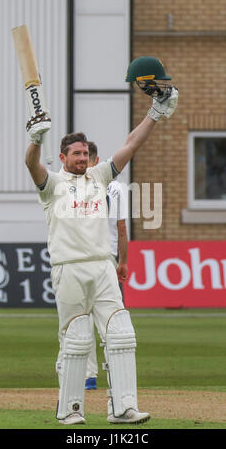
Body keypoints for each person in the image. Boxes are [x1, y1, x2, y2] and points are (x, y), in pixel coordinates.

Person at [25, 58, 178, 425]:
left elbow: (130, 145)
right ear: (63, 158)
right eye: (75, 154)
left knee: (121, 334)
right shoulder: (53, 186)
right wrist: (33, 140)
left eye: (84, 153)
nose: (81, 158)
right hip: (69, 269)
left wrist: (155, 115)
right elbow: (31, 165)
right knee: (76, 339)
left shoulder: (99, 176)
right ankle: (70, 410)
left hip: (103, 266)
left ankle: (123, 407)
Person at [85, 141, 128, 390]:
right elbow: (122, 228)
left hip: (84, 258)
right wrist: (123, 261)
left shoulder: (73, 186)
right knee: (112, 319)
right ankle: (115, 373)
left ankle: (89, 375)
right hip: (108, 258)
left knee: (83, 318)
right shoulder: (116, 188)